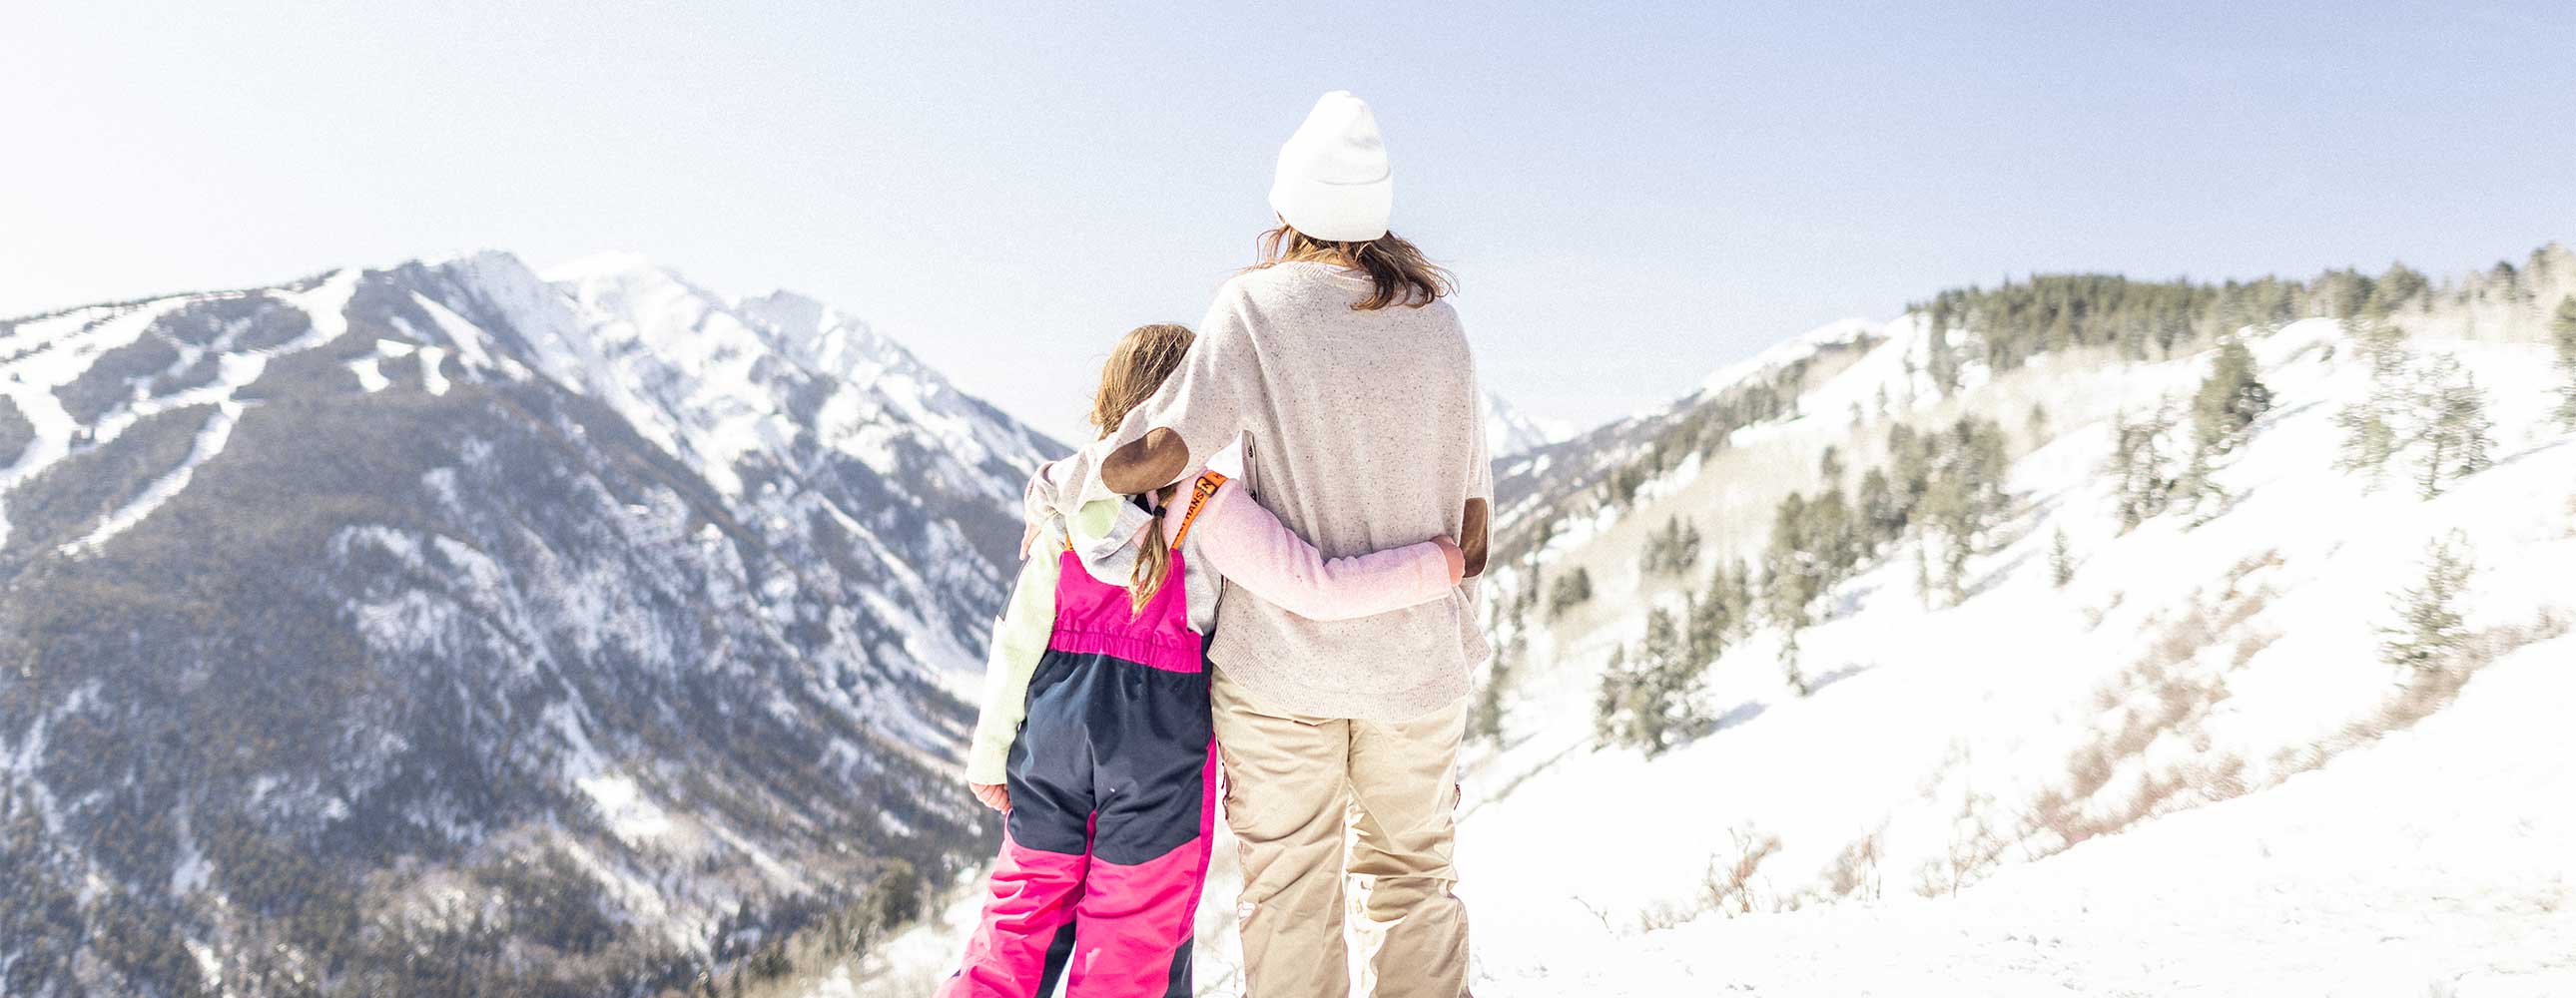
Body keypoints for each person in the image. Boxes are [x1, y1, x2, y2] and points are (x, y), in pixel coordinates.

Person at [1026, 92, 1491, 997]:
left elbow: (1158, 446)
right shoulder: (1441, 326)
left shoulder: (1254, 310)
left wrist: (1062, 492)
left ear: (1290, 206)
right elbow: (1472, 512)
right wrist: (1456, 634)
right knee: (1413, 884)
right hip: (1417, 663)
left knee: (1288, 894)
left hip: (1283, 674)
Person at [942, 322, 1467, 998]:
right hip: (1158, 745)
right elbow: (1313, 585)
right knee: (1132, 928)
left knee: (1020, 912)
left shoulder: (1068, 501)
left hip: (1052, 734)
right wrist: (1434, 565)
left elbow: (1017, 639)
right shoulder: (1207, 501)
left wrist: (990, 756)